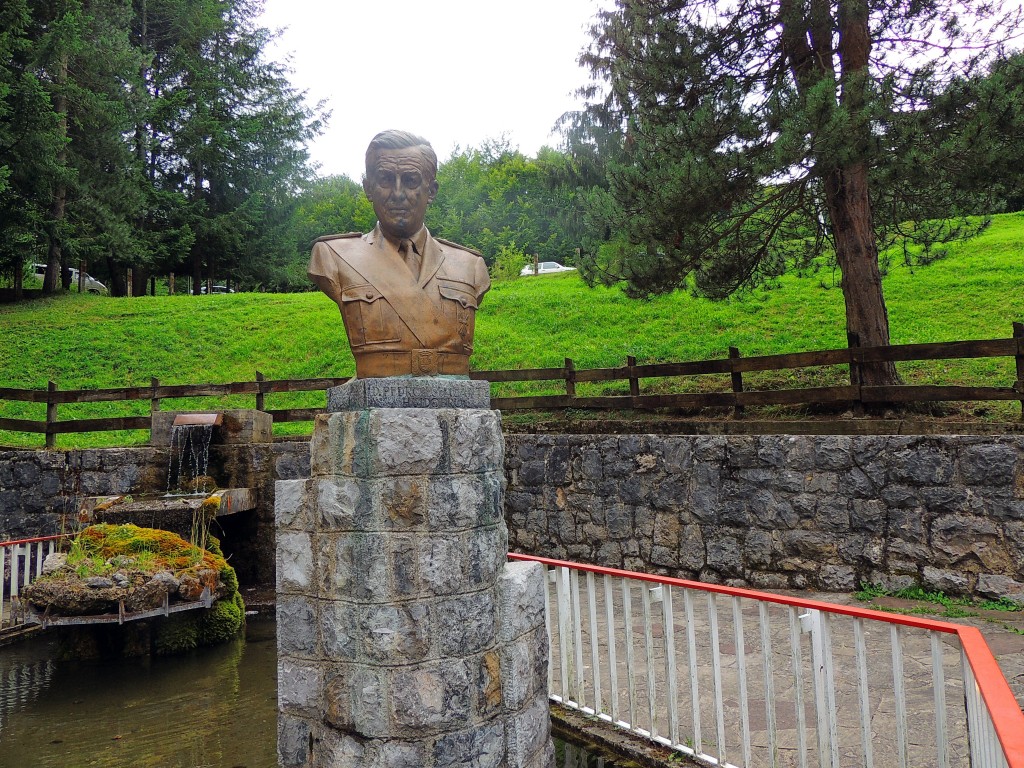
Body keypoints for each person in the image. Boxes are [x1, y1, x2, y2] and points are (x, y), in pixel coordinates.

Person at [308, 130, 490, 378]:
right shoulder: (332, 256)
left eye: (410, 180)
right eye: (385, 179)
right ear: (368, 188)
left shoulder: (471, 266)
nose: (397, 193)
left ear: (432, 191)